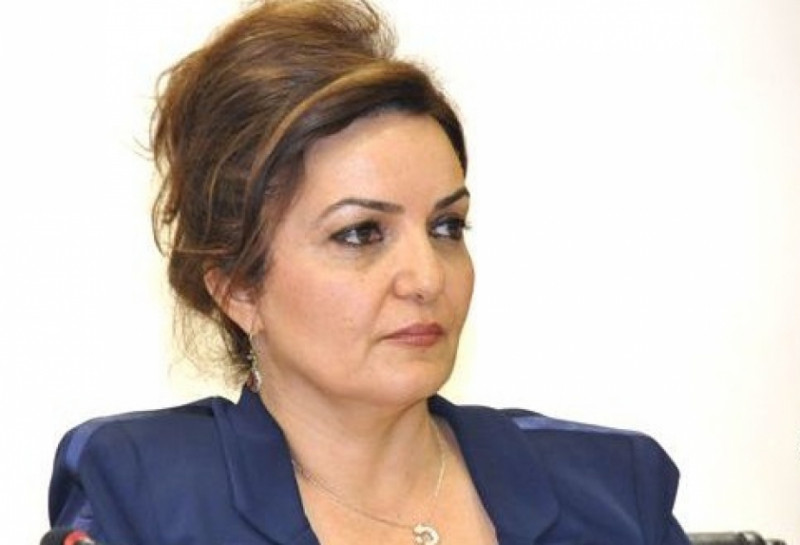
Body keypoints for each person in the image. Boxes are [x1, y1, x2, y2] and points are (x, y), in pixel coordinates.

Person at [47, 1, 692, 544]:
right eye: (360, 234)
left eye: (447, 227)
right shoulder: (142, 493)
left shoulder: (615, 487)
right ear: (239, 287)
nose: (426, 278)